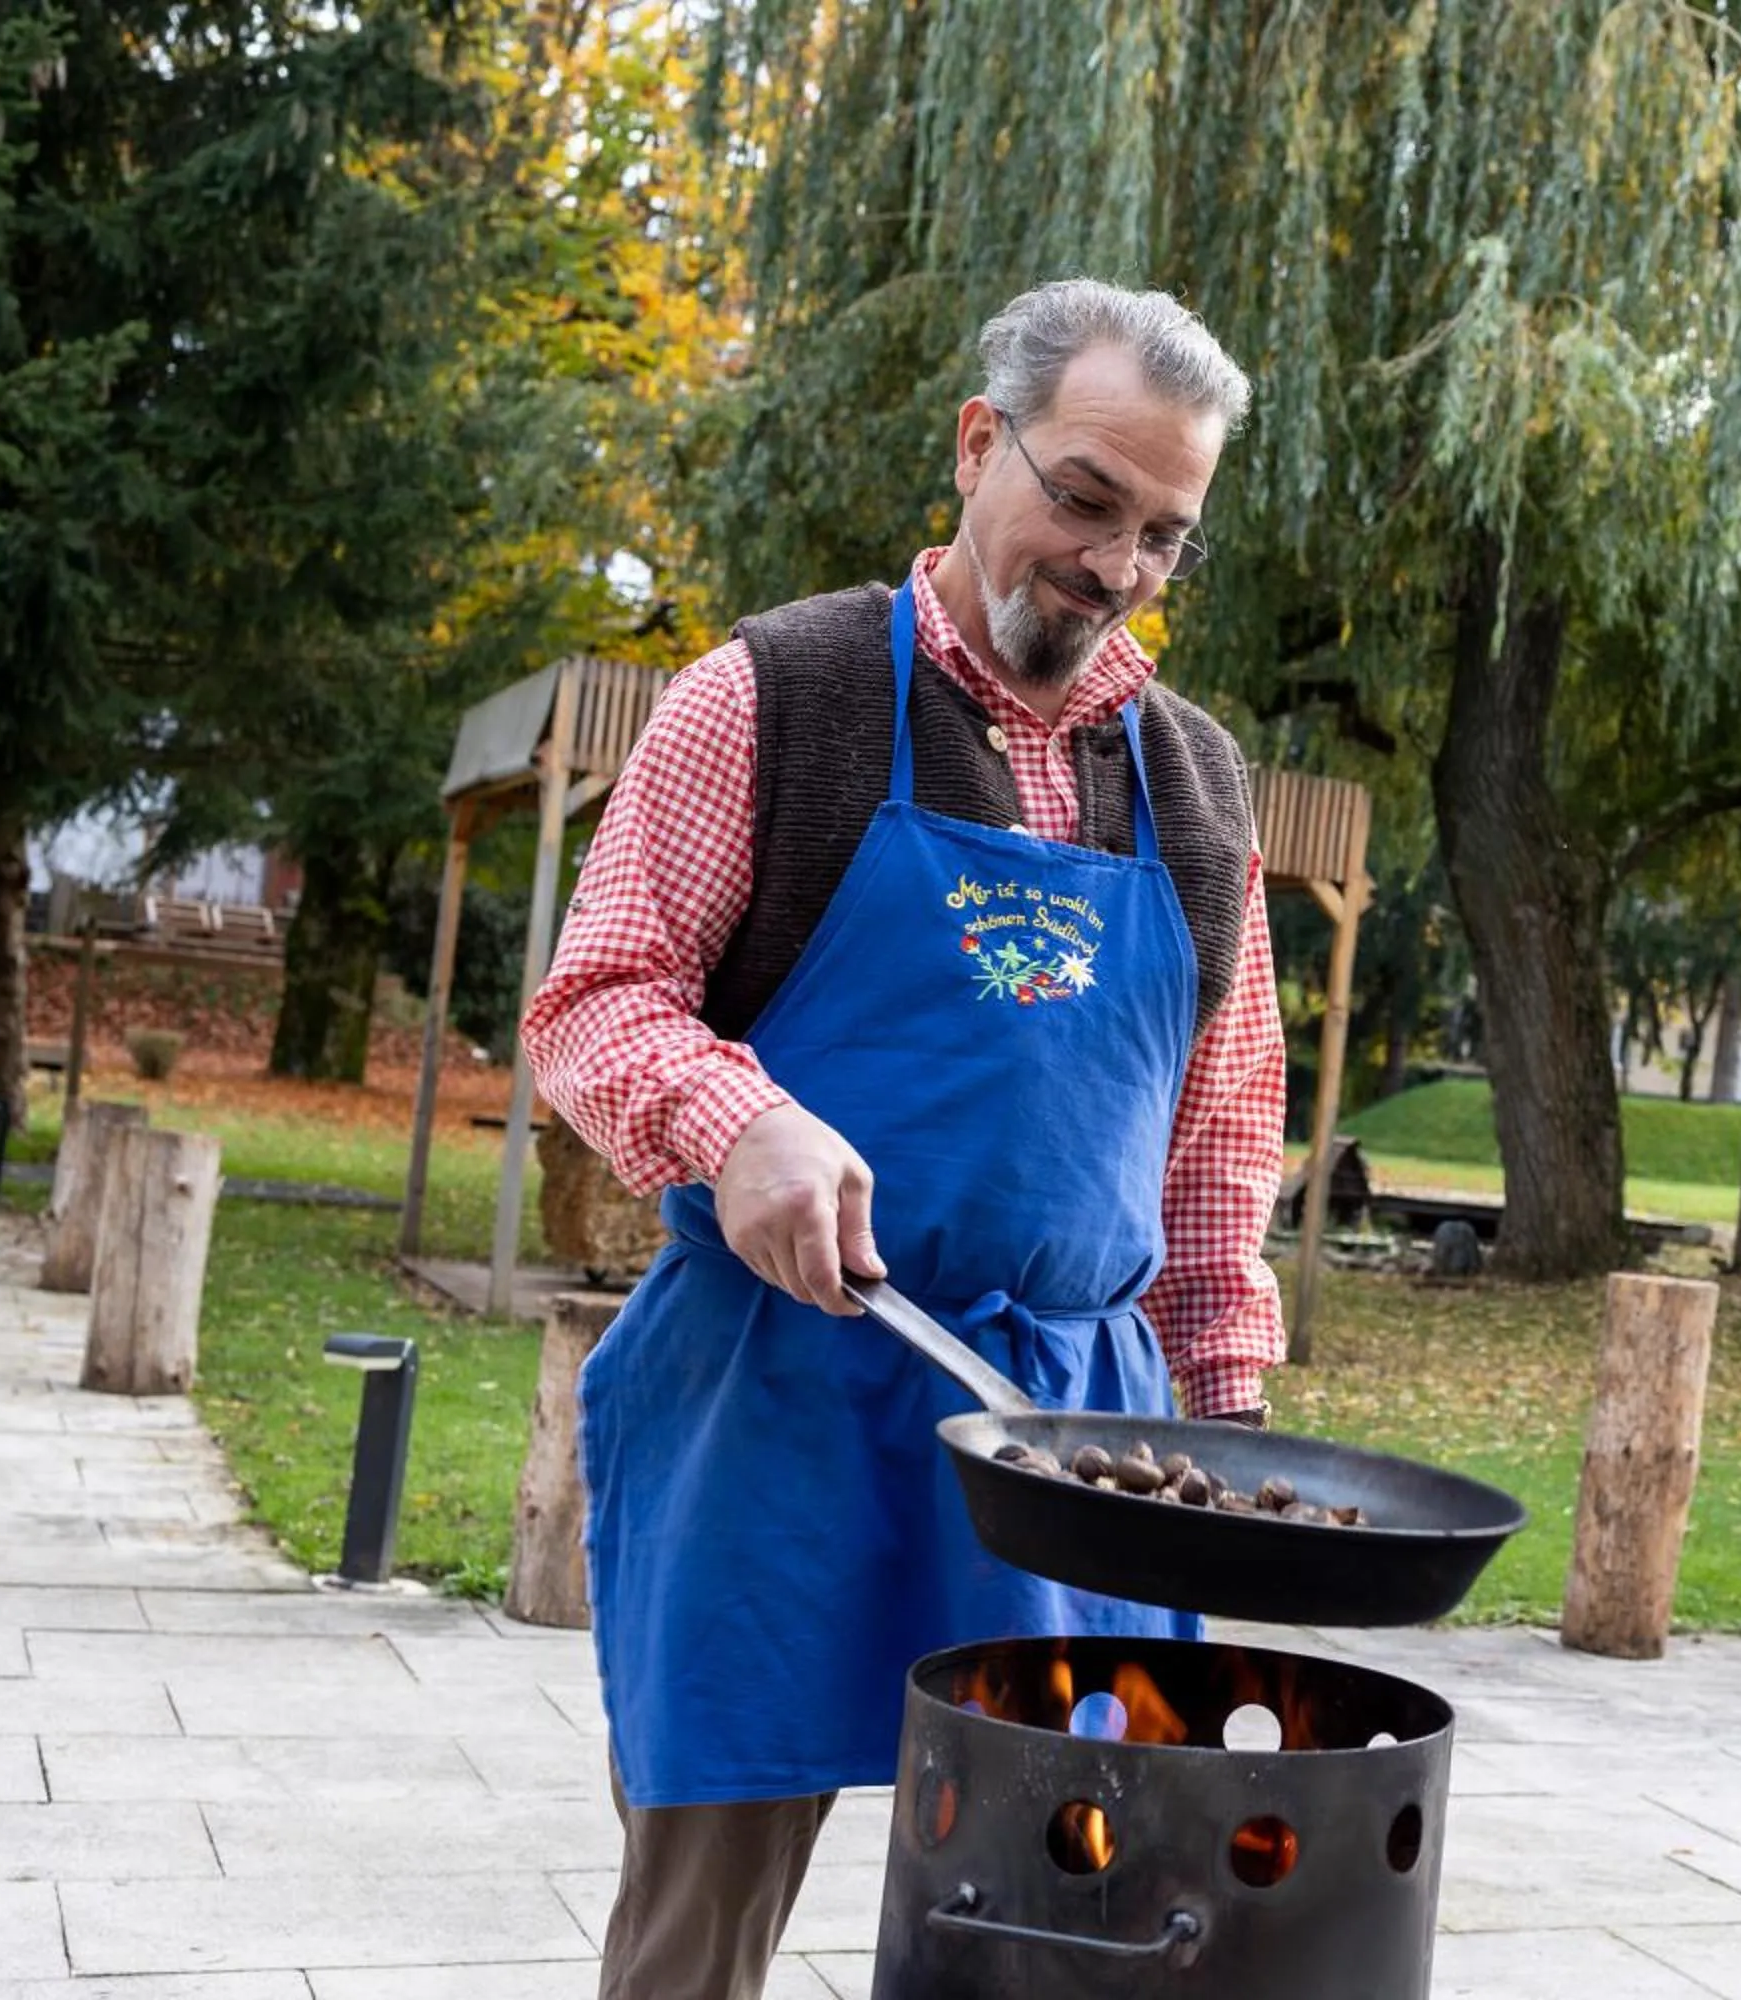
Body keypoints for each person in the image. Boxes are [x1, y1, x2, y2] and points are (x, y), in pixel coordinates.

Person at [518, 278, 1288, 2000]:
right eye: (1087, 499)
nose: (1115, 567)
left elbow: (1221, 1122)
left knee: (1069, 1925)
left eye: (1165, 535)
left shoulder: (1201, 785)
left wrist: (1224, 1424)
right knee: (698, 1933)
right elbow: (597, 1001)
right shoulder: (773, 698)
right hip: (779, 1398)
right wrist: (741, 1123)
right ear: (976, 442)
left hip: (1073, 1434)